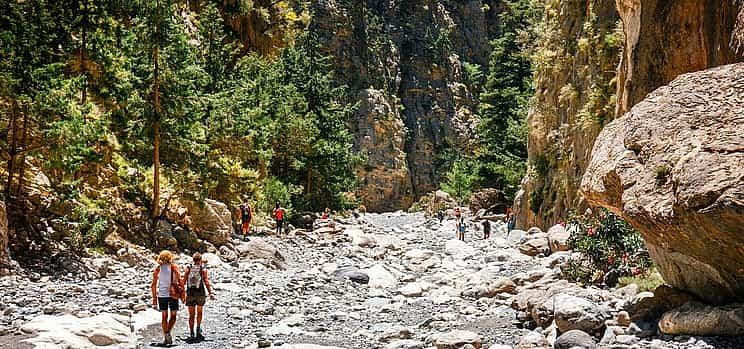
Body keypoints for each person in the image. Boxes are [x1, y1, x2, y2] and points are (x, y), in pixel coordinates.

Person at [151, 250, 182, 346]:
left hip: (162, 295)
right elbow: (180, 280)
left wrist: (154, 298)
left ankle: (166, 337)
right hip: (173, 294)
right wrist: (183, 293)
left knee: (164, 317)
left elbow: (153, 285)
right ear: (170, 258)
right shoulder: (174, 267)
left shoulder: (158, 269)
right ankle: (168, 332)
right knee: (173, 316)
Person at [182, 253, 215, 342]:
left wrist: (181, 293)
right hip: (200, 293)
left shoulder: (188, 268)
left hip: (190, 293)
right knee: (199, 312)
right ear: (200, 260)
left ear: (193, 259)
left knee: (191, 315)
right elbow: (206, 282)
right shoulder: (203, 270)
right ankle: (198, 329)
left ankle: (192, 332)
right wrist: (210, 293)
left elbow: (183, 281)